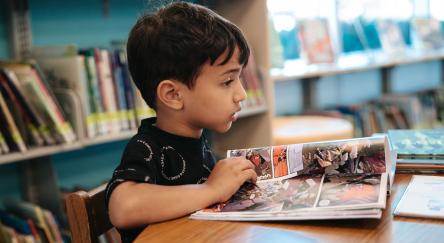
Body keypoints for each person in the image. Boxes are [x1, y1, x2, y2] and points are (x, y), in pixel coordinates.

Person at [105, 2, 257, 242]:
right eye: (227, 81)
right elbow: (123, 207)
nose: (242, 94)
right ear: (173, 95)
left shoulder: (197, 140)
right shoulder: (147, 147)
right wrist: (212, 190)